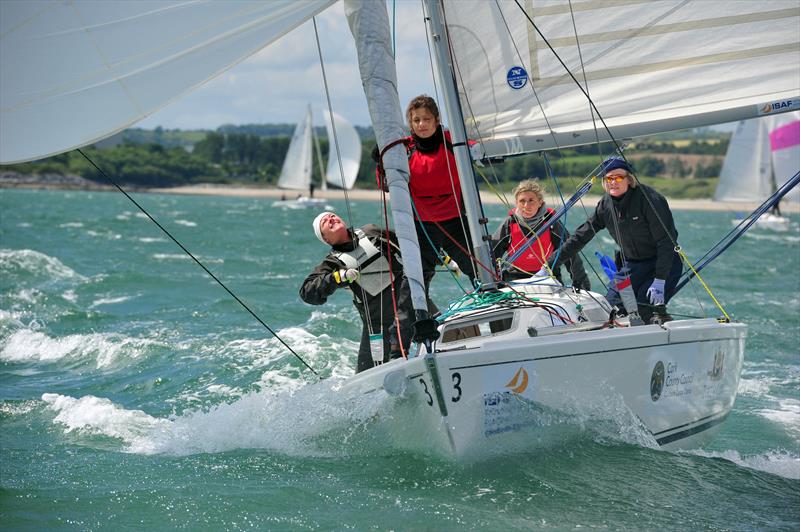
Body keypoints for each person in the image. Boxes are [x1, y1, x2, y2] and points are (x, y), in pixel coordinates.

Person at [546, 157, 681, 324]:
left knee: (645, 307)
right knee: (609, 308)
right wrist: (550, 264)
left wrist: (660, 279)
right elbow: (581, 236)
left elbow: (666, 241)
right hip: (632, 266)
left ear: (629, 179)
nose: (613, 182)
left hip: (663, 264)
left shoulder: (650, 199)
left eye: (618, 177)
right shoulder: (605, 205)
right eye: (608, 178)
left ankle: (661, 322)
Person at [300, 212, 414, 373]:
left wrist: (443, 259)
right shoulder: (333, 263)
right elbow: (307, 292)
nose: (331, 218)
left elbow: (409, 244)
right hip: (378, 326)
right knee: (366, 378)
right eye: (325, 222)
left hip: (412, 304)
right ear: (326, 239)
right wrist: (336, 278)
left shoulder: (371, 232)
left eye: (332, 215)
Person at [404, 94, 476, 288]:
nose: (422, 124)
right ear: (410, 123)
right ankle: (416, 316)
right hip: (422, 226)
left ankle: (499, 310)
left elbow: (477, 151)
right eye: (416, 120)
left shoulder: (454, 142)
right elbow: (386, 184)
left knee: (477, 269)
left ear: (436, 119)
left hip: (457, 221)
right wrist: (382, 160)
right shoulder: (405, 149)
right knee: (419, 275)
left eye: (426, 119)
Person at [492, 179, 590, 289]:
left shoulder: (551, 223)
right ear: (516, 203)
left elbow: (570, 252)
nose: (526, 205)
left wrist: (581, 285)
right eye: (522, 201)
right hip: (514, 279)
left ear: (540, 202)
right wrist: (490, 283)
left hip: (548, 279)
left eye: (531, 200)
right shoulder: (509, 224)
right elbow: (492, 254)